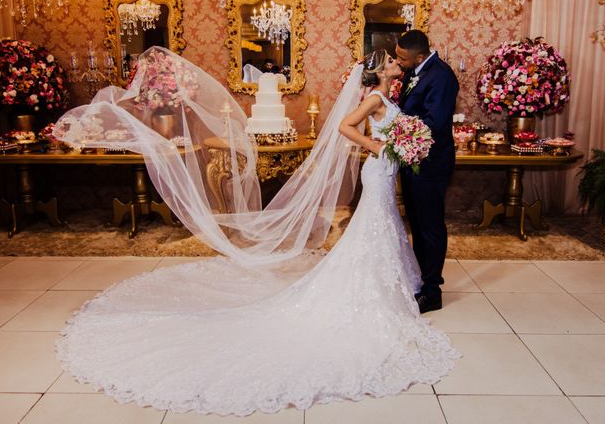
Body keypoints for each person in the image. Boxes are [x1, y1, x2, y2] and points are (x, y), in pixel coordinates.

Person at [53, 47, 458, 417]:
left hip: (388, 170)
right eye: (390, 62)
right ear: (379, 71)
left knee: (383, 223)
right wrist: (378, 148)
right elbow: (347, 129)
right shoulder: (374, 99)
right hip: (380, 169)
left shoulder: (392, 98)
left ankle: (394, 282)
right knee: (377, 223)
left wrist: (400, 145)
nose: (396, 65)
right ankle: (370, 286)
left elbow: (387, 129)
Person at [395, 30, 459, 314]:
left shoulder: (442, 76)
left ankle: (433, 290)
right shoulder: (417, 70)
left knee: (430, 225)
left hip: (431, 164)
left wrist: (394, 128)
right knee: (417, 224)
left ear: (419, 56)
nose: (398, 62)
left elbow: (433, 121)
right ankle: (421, 279)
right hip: (412, 160)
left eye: (401, 58)